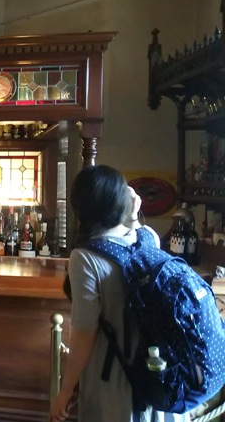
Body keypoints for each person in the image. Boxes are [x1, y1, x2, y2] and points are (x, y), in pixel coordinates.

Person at [49, 165, 189, 422]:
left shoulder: (85, 258)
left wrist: (66, 389)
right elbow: (136, 230)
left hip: (115, 379)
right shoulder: (149, 238)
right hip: (159, 374)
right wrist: (133, 214)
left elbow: (84, 333)